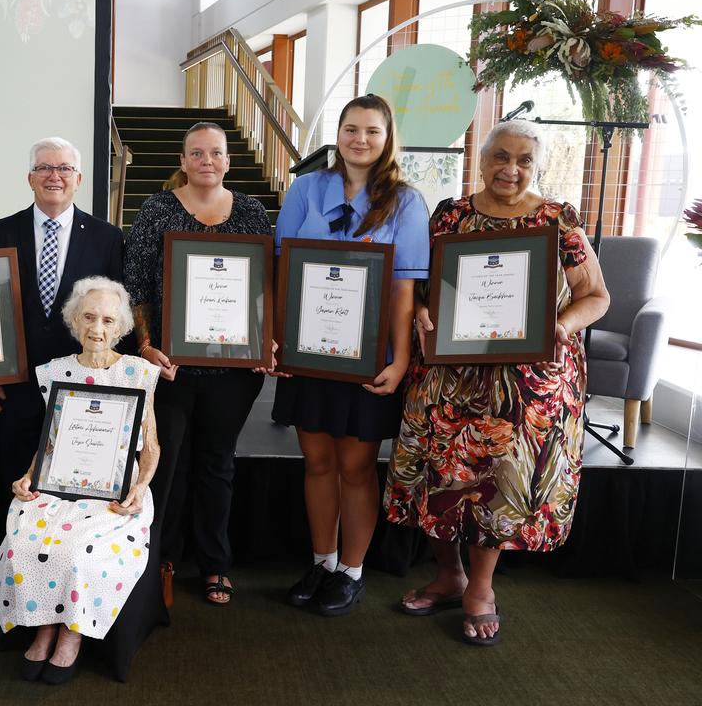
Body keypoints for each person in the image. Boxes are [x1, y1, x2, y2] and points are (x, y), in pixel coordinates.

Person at [385, 119, 609, 646]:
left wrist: (560, 325)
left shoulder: (558, 220)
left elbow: (596, 297)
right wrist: (419, 309)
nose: (510, 169)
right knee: (440, 473)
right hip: (449, 373)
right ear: (480, 161)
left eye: (524, 160)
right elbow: (418, 284)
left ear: (538, 166)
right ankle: (449, 574)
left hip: (525, 381)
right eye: (500, 157)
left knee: (497, 483)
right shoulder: (450, 216)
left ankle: (480, 589)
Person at [271, 94, 430, 616]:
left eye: (372, 131)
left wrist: (401, 359)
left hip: (367, 358)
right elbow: (282, 272)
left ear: (388, 140)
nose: (360, 139)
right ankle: (322, 560)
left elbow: (404, 288)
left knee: (356, 467)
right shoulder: (305, 189)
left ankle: (352, 571)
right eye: (351, 129)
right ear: (337, 134)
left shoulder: (406, 202)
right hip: (309, 355)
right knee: (317, 463)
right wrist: (277, 340)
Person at [124, 121, 272, 606]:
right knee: (163, 466)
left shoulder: (251, 212)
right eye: (196, 153)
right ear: (183, 161)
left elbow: (265, 287)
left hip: (233, 372)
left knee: (217, 465)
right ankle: (156, 561)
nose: (206, 161)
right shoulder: (157, 209)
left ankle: (214, 563)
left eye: (215, 153)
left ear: (228, 160)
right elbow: (138, 286)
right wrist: (145, 347)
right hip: (170, 366)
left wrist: (262, 340)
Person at [0, 277, 161, 685]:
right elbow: (50, 441)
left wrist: (139, 488)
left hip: (115, 490)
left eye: (107, 319)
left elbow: (151, 446)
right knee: (25, 536)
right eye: (88, 317)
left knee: (81, 548)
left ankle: (71, 632)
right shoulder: (54, 372)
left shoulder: (138, 372)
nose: (97, 328)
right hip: (59, 484)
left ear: (120, 326)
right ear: (74, 321)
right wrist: (30, 476)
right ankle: (44, 624)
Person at [0, 137, 127, 531]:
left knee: (72, 485)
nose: (54, 176)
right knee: (14, 478)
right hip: (16, 383)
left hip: (80, 383)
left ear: (78, 178)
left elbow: (115, 315)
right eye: (44, 167)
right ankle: (8, 566)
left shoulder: (107, 238)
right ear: (30, 177)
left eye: (64, 168)